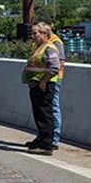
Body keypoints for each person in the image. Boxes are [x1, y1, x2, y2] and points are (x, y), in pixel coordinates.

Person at [22, 21, 63, 155]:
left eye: (35, 33)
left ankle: (47, 145)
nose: (32, 36)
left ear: (44, 34)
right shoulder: (39, 47)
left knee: (46, 114)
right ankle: (41, 141)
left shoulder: (49, 47)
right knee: (39, 114)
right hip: (37, 84)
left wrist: (43, 82)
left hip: (45, 85)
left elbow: (55, 67)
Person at [32, 18, 65, 150]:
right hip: (40, 81)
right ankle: (42, 137)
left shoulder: (54, 43)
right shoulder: (39, 44)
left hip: (51, 80)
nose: (33, 36)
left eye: (35, 33)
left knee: (51, 110)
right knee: (41, 112)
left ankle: (52, 140)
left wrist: (45, 80)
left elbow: (59, 63)